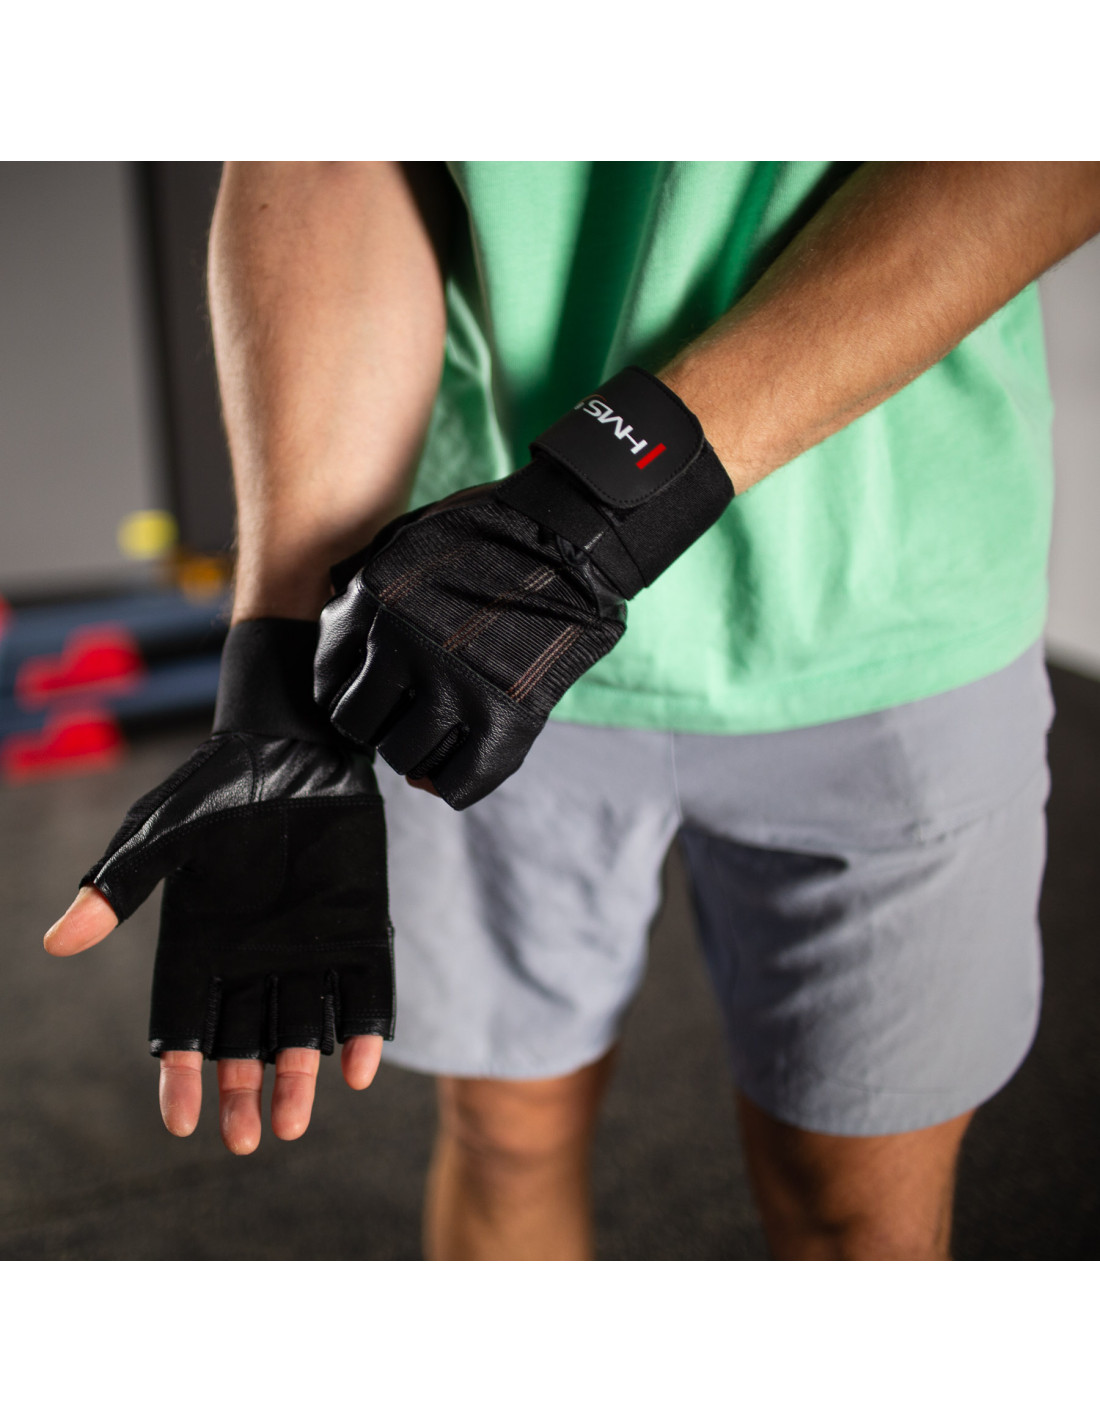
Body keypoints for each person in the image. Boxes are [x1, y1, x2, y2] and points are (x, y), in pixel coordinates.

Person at [45, 161, 1100, 1260]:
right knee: (505, 1136)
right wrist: (283, 666)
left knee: (856, 1218)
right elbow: (327, 157)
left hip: (882, 606)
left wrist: (590, 518)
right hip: (465, 628)